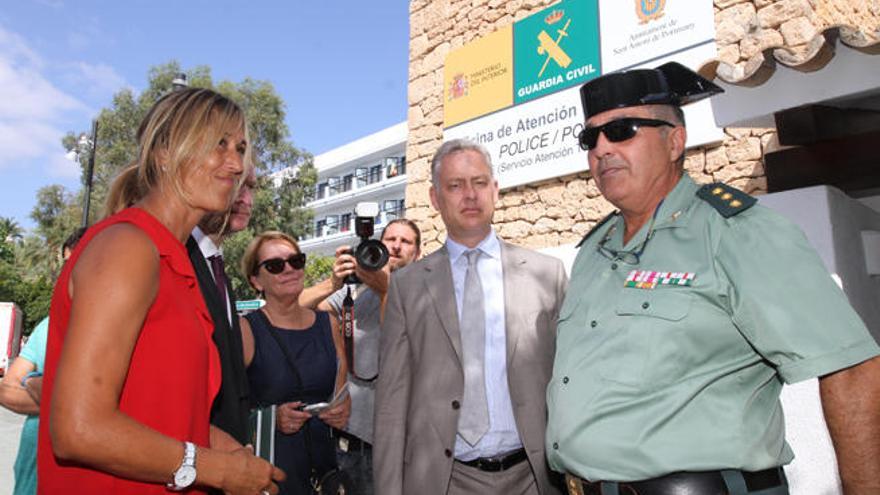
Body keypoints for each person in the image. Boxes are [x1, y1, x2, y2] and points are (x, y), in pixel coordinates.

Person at [547, 62, 880, 495]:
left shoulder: (737, 232)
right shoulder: (593, 251)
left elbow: (850, 368)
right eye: (590, 138)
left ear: (675, 141)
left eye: (624, 129)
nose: (602, 148)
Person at [38, 87, 284, 494]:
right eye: (219, 144)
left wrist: (222, 448)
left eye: (240, 148)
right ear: (164, 152)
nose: (237, 163)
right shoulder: (128, 247)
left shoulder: (177, 264)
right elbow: (78, 429)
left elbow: (154, 407)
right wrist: (216, 470)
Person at [374, 139, 568, 495]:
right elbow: (391, 405)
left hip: (533, 480)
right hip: (445, 482)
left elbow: (569, 382)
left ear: (495, 191)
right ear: (435, 198)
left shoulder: (547, 275)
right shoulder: (408, 287)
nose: (470, 194)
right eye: (455, 185)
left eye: (479, 183)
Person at [299, 218, 423, 495]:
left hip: (394, 447)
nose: (396, 246)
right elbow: (291, 308)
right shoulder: (355, 289)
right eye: (390, 239)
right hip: (346, 439)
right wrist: (332, 283)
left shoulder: (425, 292)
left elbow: (400, 347)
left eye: (406, 242)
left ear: (418, 253)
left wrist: (386, 290)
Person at [240, 231, 351, 494]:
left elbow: (341, 393)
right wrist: (270, 419)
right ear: (256, 281)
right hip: (271, 474)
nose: (289, 269)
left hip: (324, 473)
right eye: (276, 266)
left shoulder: (329, 324)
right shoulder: (246, 330)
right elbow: (222, 412)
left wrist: (343, 409)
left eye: (296, 261)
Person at [0, 228, 85, 495]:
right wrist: (67, 405)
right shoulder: (50, 326)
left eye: (77, 263)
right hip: (30, 478)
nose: (69, 273)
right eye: (66, 264)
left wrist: (39, 388)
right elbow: (8, 390)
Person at [188, 168, 257, 447]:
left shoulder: (216, 266)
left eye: (250, 187)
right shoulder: (175, 261)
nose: (247, 199)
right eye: (237, 185)